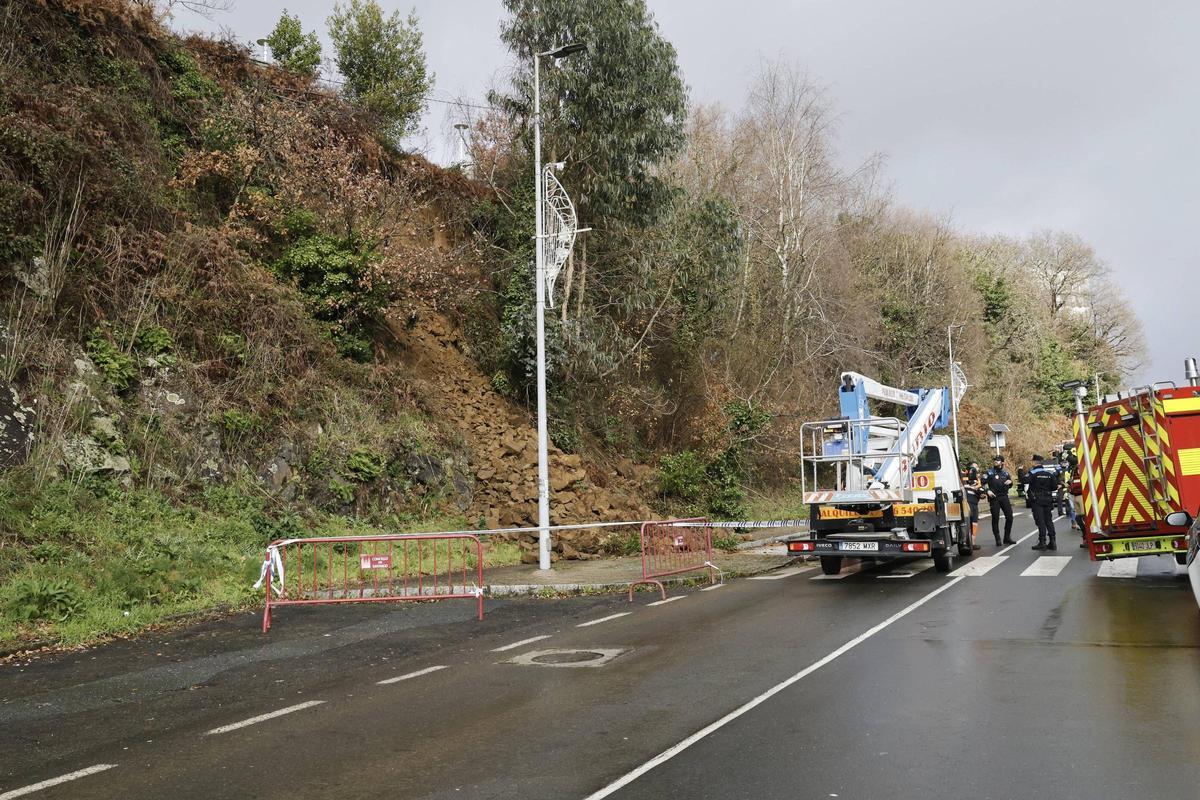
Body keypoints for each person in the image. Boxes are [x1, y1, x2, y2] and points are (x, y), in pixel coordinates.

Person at [1027, 453, 1062, 550]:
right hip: (1048, 499)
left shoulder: (1033, 473)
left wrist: (1020, 471)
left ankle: (1042, 542)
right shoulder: (1049, 473)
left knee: (1040, 521)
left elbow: (1024, 480)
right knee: (1048, 520)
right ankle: (1053, 541)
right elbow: (1054, 486)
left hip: (1037, 500)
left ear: (1034, 462)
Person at [984, 455, 1015, 545]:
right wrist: (987, 490)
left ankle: (1007, 537)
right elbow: (983, 483)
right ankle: (997, 538)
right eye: (995, 460)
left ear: (1002, 463)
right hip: (994, 497)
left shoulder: (1005, 473)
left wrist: (1010, 483)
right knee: (995, 518)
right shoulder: (989, 473)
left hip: (1004, 497)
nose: (996, 462)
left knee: (1009, 517)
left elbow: (1010, 483)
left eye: (998, 460)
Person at [961, 463, 984, 549]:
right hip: (967, 502)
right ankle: (965, 542)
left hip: (975, 503)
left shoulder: (977, 479)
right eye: (974, 467)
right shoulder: (962, 478)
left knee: (974, 522)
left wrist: (981, 492)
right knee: (967, 522)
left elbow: (980, 490)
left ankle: (972, 542)